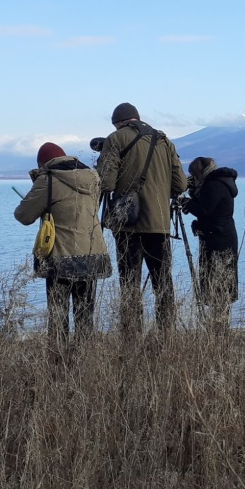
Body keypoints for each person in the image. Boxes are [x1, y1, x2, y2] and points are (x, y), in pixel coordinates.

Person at [97, 103, 187, 336]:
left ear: (118, 123)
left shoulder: (116, 139)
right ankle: (166, 334)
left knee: (129, 283)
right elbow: (180, 184)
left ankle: (131, 336)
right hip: (159, 223)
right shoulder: (164, 141)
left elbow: (106, 183)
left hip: (128, 224)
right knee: (163, 282)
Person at [14, 142, 112, 352]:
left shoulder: (48, 180)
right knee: (85, 315)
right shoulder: (93, 177)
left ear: (43, 163)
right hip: (92, 254)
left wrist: (39, 183)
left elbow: (23, 215)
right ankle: (85, 359)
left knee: (58, 317)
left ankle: (58, 360)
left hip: (62, 257)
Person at [179, 156, 239, 332]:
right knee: (221, 281)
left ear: (200, 173)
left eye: (194, 175)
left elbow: (205, 209)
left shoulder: (213, 185)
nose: (193, 179)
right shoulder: (220, 182)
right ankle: (220, 323)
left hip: (217, 239)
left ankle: (219, 325)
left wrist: (187, 204)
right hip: (221, 236)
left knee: (217, 281)